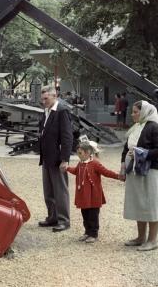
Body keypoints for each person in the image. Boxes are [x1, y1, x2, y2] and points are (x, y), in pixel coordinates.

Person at [120, 100, 158, 251]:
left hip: (150, 171)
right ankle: (141, 237)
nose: (132, 114)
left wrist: (141, 153)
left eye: (135, 112)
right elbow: (126, 148)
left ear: (145, 112)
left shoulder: (155, 128)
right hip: (134, 170)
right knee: (140, 203)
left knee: (151, 204)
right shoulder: (136, 127)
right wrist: (122, 165)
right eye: (132, 111)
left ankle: (152, 240)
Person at [63, 141, 123, 243]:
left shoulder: (95, 163)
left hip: (93, 195)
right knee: (85, 214)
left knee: (93, 215)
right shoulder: (80, 163)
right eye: (78, 153)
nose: (78, 155)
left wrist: (118, 176)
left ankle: (94, 234)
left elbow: (106, 172)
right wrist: (67, 168)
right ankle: (87, 232)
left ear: (87, 153)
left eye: (80, 153)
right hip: (83, 195)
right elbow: (76, 171)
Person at [38, 85, 73, 232]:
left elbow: (67, 136)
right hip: (47, 157)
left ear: (54, 96)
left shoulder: (62, 111)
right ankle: (52, 217)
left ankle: (64, 220)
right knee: (49, 190)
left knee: (60, 190)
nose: (44, 101)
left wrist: (65, 159)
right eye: (43, 99)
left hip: (57, 158)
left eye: (46, 98)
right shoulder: (47, 110)